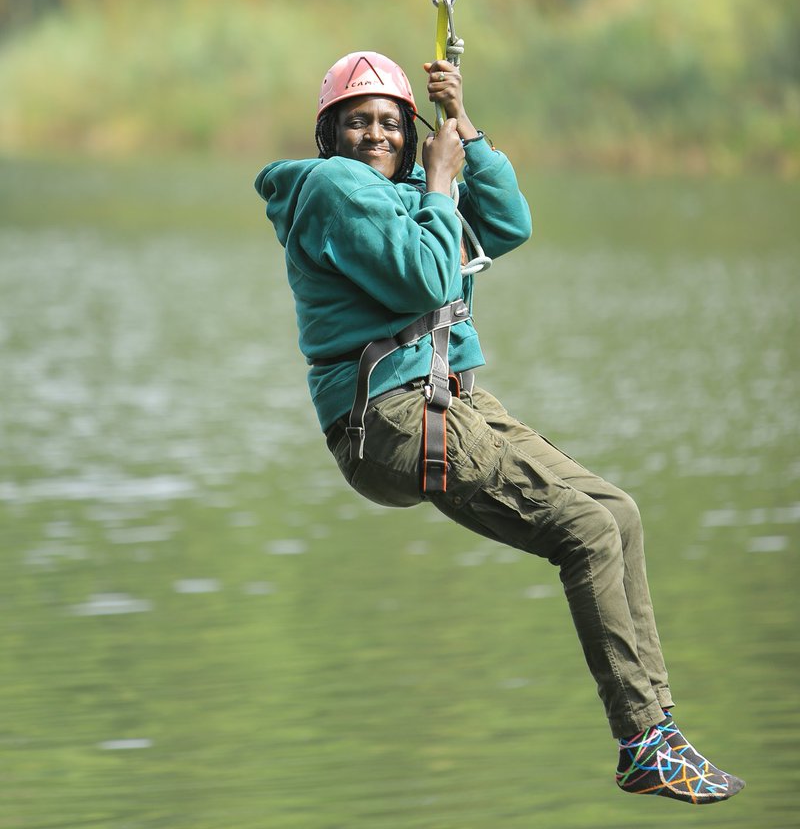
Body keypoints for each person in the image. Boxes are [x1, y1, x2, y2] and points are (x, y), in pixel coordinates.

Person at [255, 50, 745, 804]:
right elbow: (423, 277)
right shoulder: (333, 189)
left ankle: (662, 732)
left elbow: (510, 225)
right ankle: (641, 740)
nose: (376, 134)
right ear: (329, 135)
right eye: (358, 123)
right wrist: (442, 181)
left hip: (454, 401)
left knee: (617, 513)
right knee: (581, 530)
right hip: (391, 417)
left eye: (391, 122)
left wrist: (463, 128)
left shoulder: (413, 193)